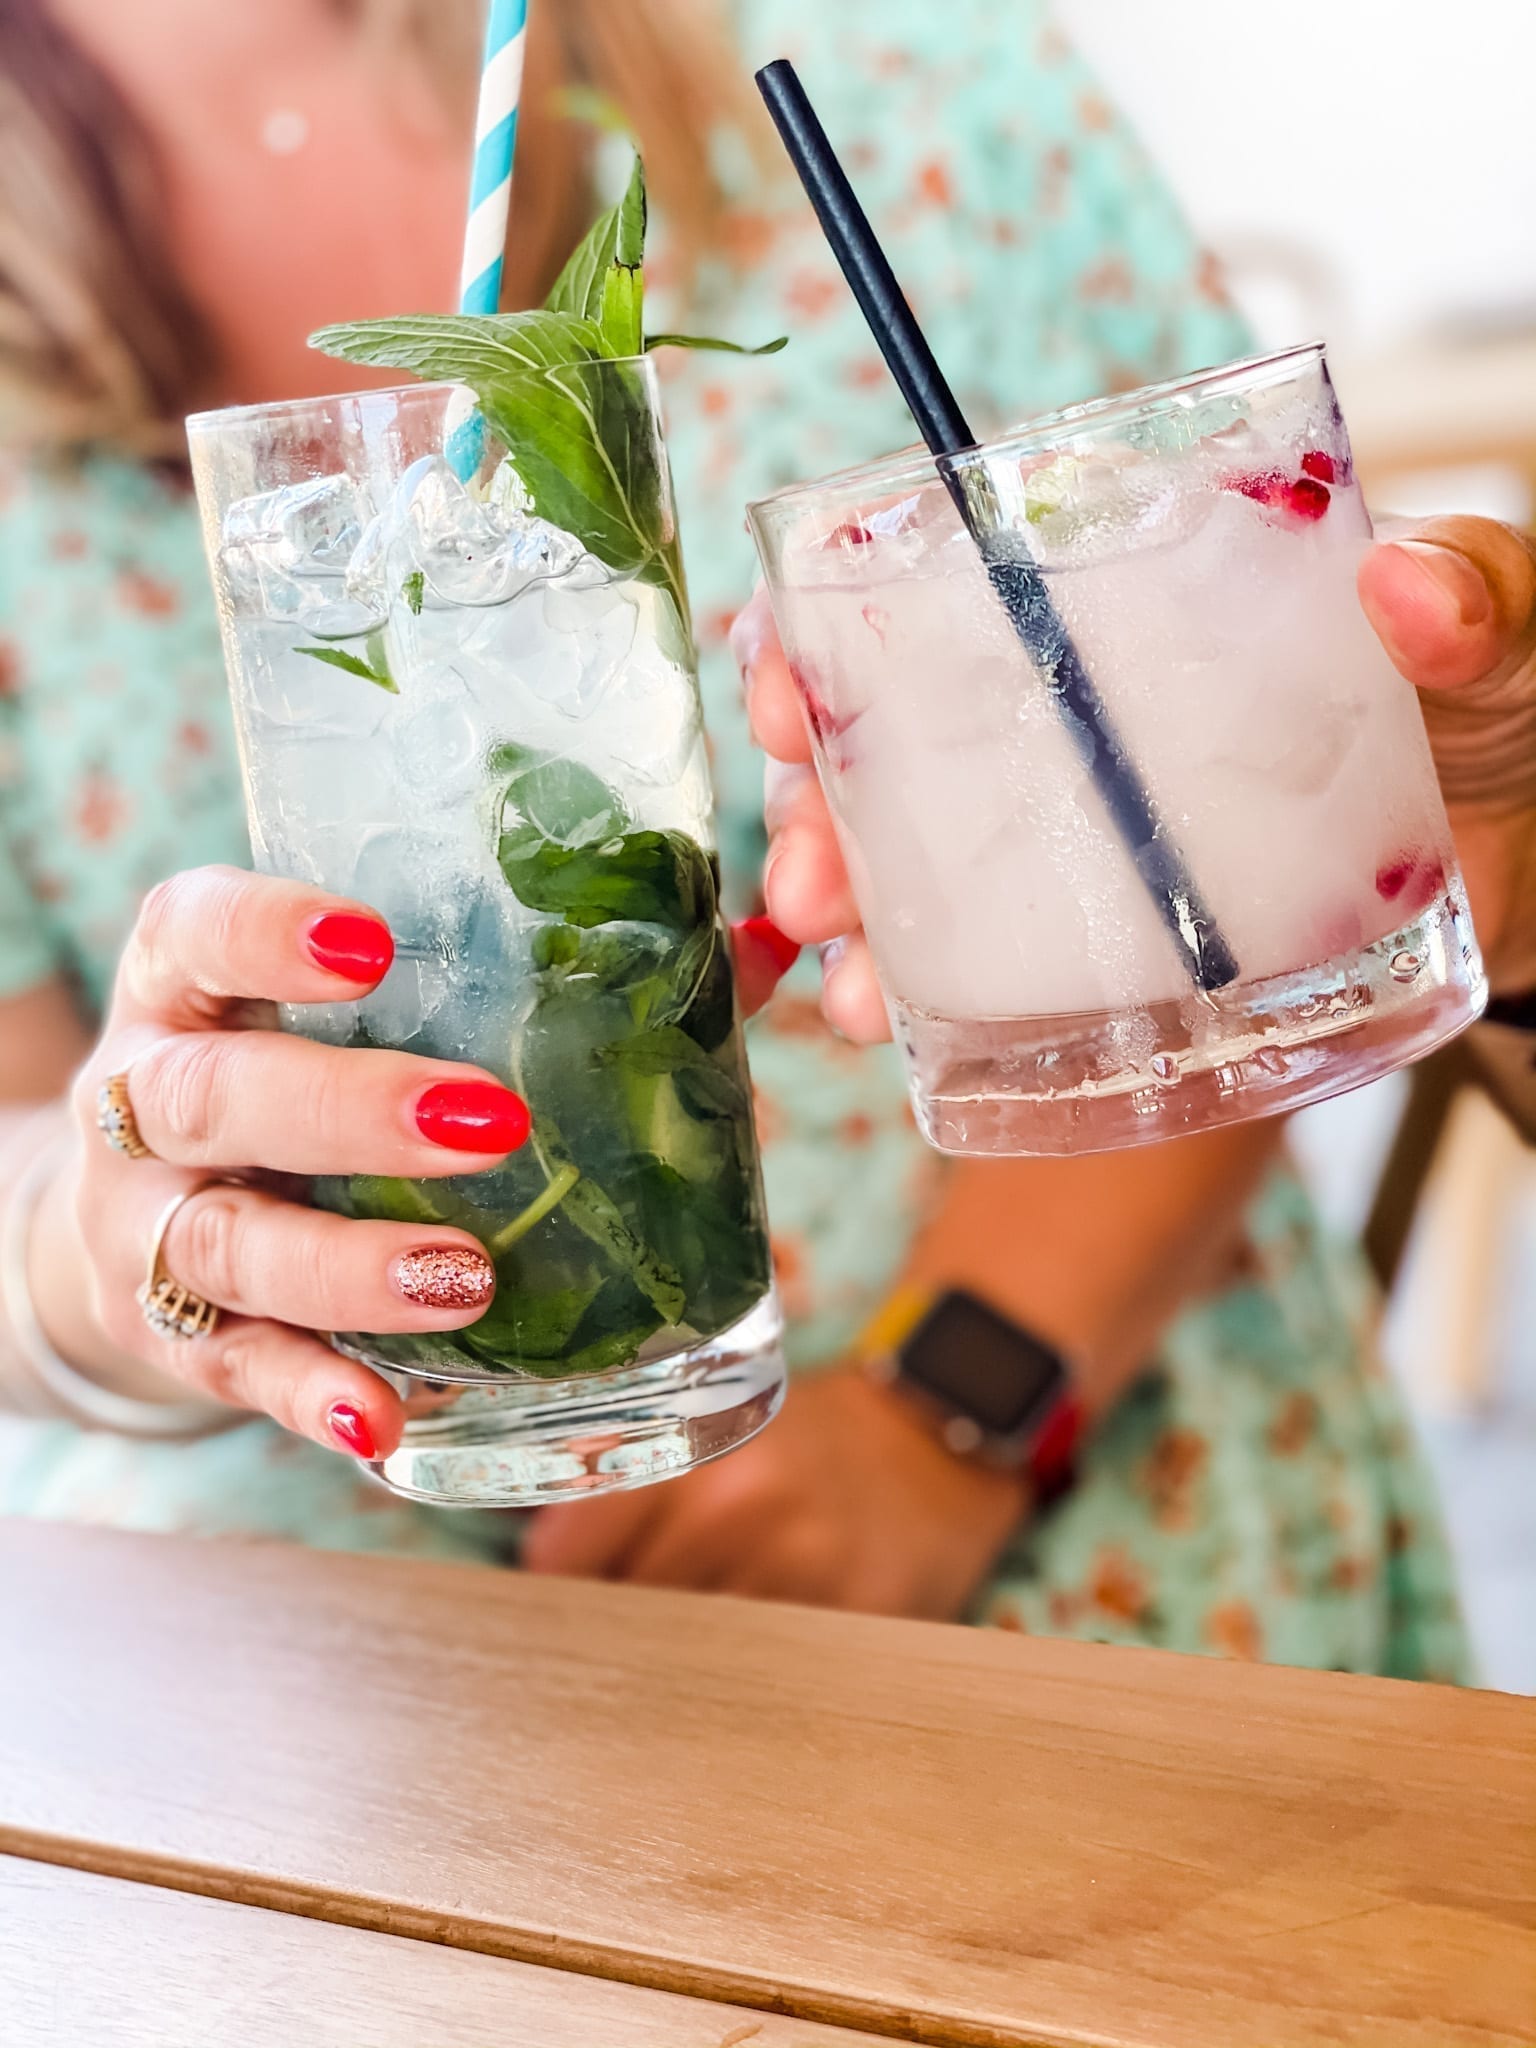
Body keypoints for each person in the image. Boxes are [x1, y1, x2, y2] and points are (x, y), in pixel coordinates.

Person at [0, 0, 1525, 1672]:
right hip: (305, 1557)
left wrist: (955, 1403)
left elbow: (1258, 788)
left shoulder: (899, 65)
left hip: (1056, 1417)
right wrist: (104, 1244)